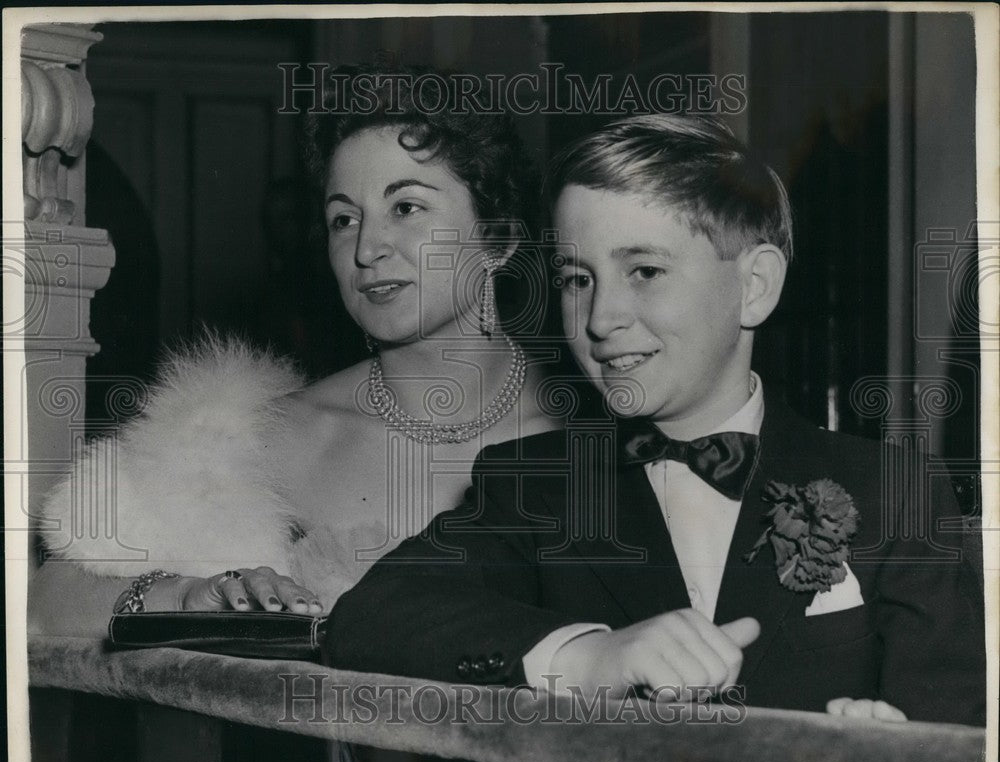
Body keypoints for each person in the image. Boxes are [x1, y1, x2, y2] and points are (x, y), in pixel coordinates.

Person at [327, 113, 986, 727]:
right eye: (577, 279)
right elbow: (369, 617)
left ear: (754, 286)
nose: (600, 318)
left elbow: (958, 736)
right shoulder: (534, 486)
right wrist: (587, 657)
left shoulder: (895, 491)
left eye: (644, 271)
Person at [28, 64, 563, 637]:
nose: (366, 249)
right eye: (343, 219)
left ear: (500, 236)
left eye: (405, 208)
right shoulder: (263, 438)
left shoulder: (590, 427)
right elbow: (46, 603)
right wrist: (188, 595)